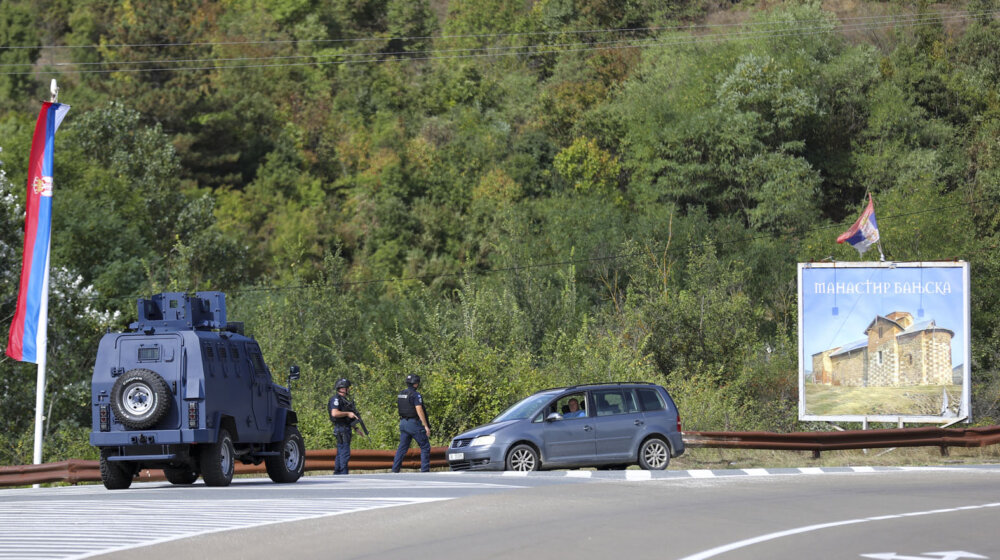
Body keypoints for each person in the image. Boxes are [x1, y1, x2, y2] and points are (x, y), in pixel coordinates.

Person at [391, 374, 431, 473]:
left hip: (403, 423)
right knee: (425, 446)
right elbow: (419, 410)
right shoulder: (415, 395)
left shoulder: (401, 393)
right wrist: (426, 425)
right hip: (413, 423)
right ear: (416, 384)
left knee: (402, 447)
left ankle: (395, 470)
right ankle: (425, 471)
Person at [328, 378, 361, 475]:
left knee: (341, 451)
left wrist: (356, 428)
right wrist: (348, 413)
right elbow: (334, 413)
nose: (348, 390)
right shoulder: (336, 399)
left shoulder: (344, 400)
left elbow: (348, 418)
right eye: (347, 388)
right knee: (344, 452)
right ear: (342, 388)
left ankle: (338, 473)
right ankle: (343, 473)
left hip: (345, 427)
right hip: (341, 428)